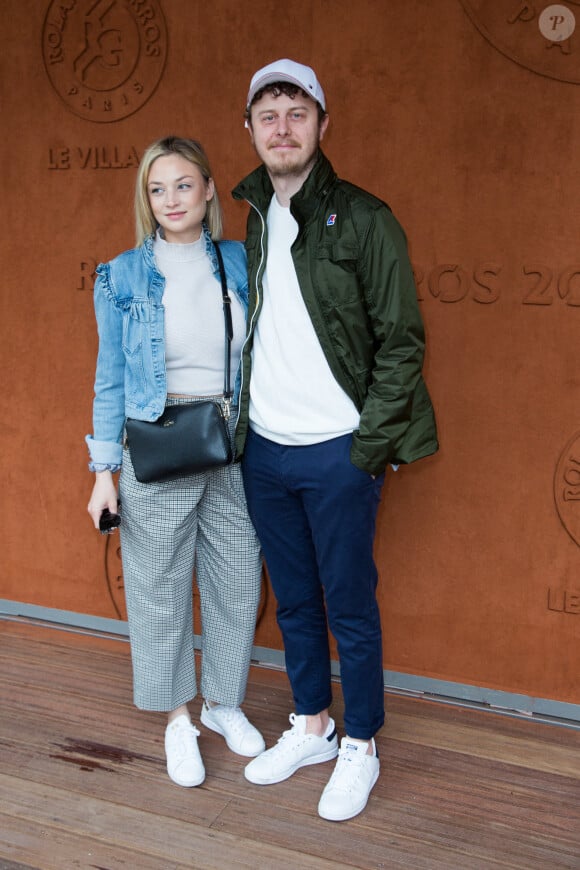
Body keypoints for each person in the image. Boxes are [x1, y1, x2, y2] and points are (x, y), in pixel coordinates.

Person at [232, 59, 438, 822]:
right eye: (267, 115)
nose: (281, 128)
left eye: (296, 112)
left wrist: (366, 447)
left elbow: (403, 342)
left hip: (337, 451)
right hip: (266, 450)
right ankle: (312, 724)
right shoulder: (253, 217)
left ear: (323, 124)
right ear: (249, 131)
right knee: (292, 602)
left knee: (348, 602)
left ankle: (361, 743)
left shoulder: (363, 216)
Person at [86, 136, 265, 789]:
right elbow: (109, 378)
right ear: (147, 198)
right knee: (159, 587)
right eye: (158, 189)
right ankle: (178, 720)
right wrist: (103, 472)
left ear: (210, 190)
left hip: (230, 437)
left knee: (237, 578)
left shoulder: (240, 263)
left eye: (184, 185)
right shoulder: (123, 275)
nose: (171, 200)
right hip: (158, 439)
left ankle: (223, 704)